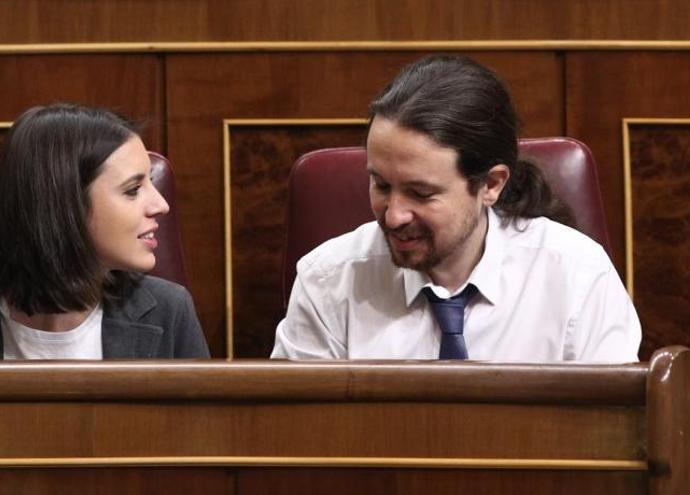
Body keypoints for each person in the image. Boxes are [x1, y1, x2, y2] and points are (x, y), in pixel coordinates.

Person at [272, 55, 641, 362]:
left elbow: (611, 436)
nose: (393, 215)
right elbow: (299, 437)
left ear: (491, 185)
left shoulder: (578, 277)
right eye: (381, 185)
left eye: (420, 193)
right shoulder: (328, 280)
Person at [0, 104, 210, 360]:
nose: (161, 205)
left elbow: (199, 440)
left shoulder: (170, 312)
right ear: (63, 203)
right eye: (132, 189)